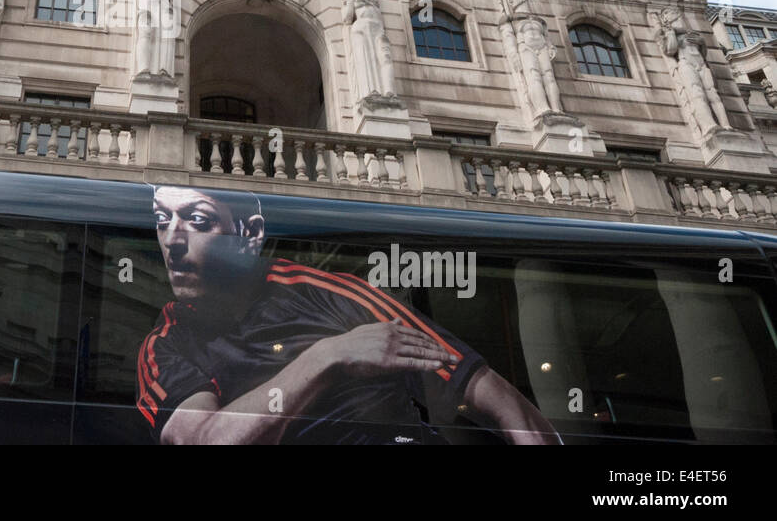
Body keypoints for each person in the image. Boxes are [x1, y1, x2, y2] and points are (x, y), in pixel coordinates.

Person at [137, 186, 559, 445]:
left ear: (250, 234)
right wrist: (326, 357)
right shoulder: (164, 345)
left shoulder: (334, 294)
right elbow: (203, 442)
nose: (172, 240)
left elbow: (495, 397)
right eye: (161, 219)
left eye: (196, 220)